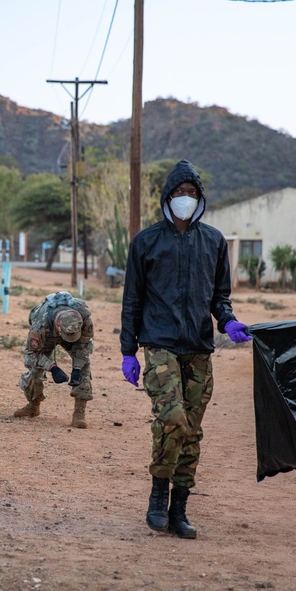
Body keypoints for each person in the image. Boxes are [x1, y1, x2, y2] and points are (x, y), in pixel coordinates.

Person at [119, 159, 251, 540]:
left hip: (198, 348)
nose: (186, 199)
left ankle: (179, 508)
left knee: (191, 430)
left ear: (201, 199)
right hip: (159, 345)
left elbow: (219, 297)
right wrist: (129, 351)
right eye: (179, 193)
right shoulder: (146, 242)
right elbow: (132, 301)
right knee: (173, 417)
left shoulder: (213, 241)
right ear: (167, 197)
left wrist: (228, 322)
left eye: (192, 194)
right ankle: (158, 495)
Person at [13, 291, 94, 429]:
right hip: (48, 335)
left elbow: (85, 345)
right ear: (58, 326)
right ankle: (33, 405)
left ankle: (79, 413)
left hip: (70, 333)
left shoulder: (84, 315)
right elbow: (32, 354)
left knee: (84, 366)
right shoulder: (40, 325)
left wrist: (77, 368)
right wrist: (52, 367)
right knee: (35, 370)